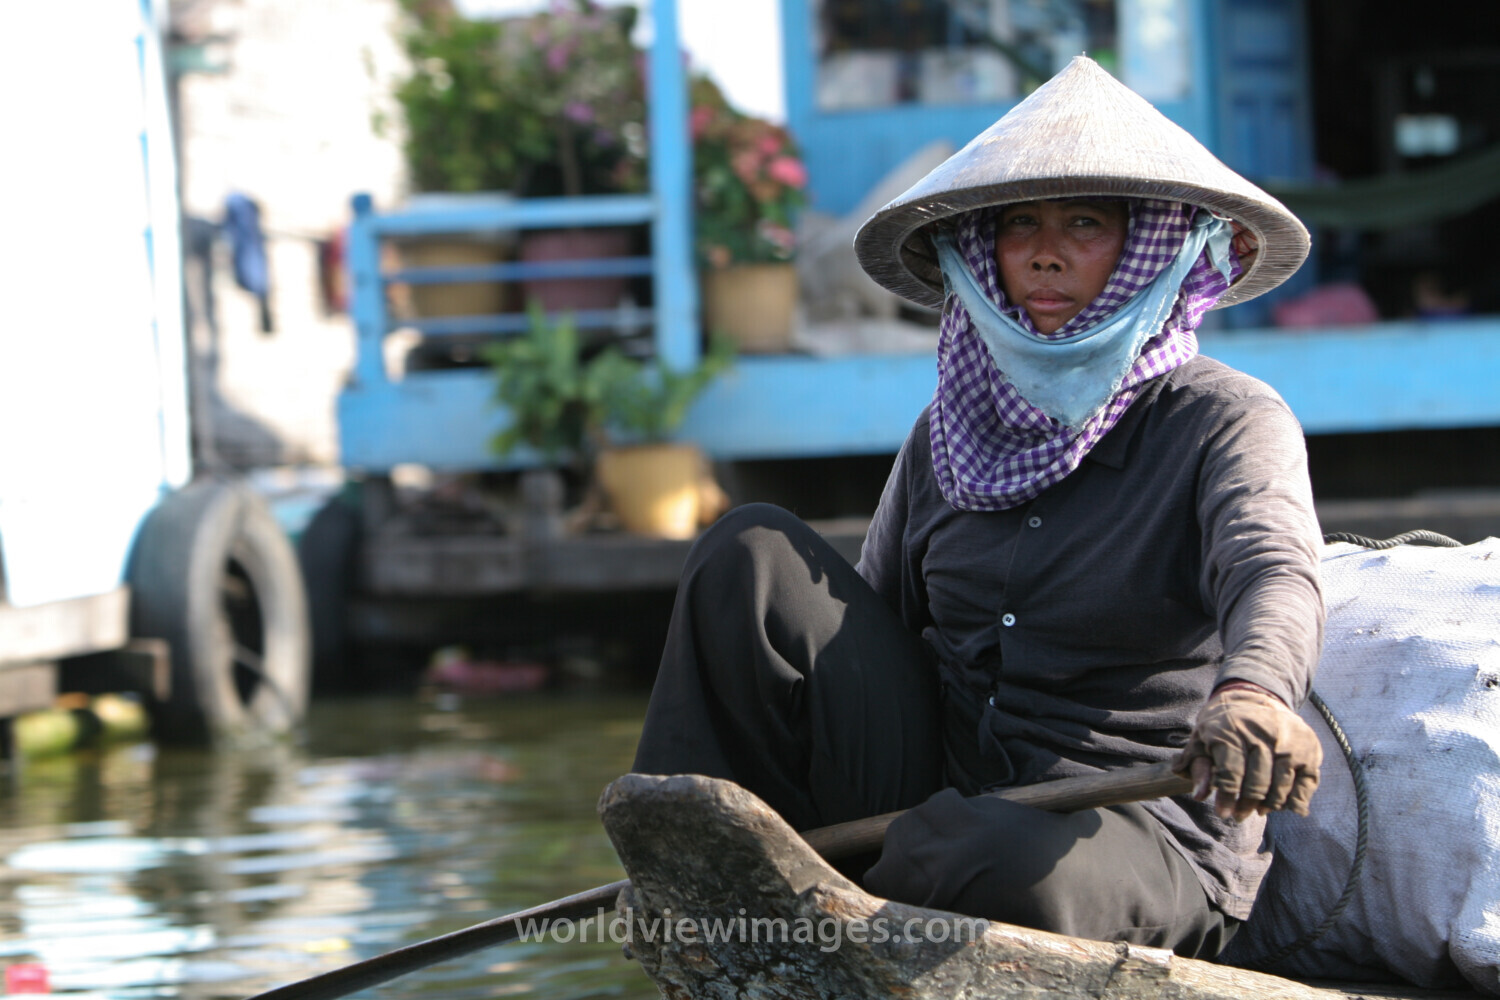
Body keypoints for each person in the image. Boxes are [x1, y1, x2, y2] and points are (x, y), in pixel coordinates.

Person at [632, 56, 1324, 959]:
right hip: (933, 791)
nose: (1045, 253)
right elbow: (861, 631)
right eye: (1019, 227)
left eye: (1086, 223)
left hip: (1126, 827)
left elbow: (1275, 570)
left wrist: (1255, 694)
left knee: (989, 861)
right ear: (983, 255)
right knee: (749, 552)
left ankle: (869, 885)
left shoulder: (1222, 419)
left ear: (1157, 244)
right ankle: (692, 882)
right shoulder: (948, 430)